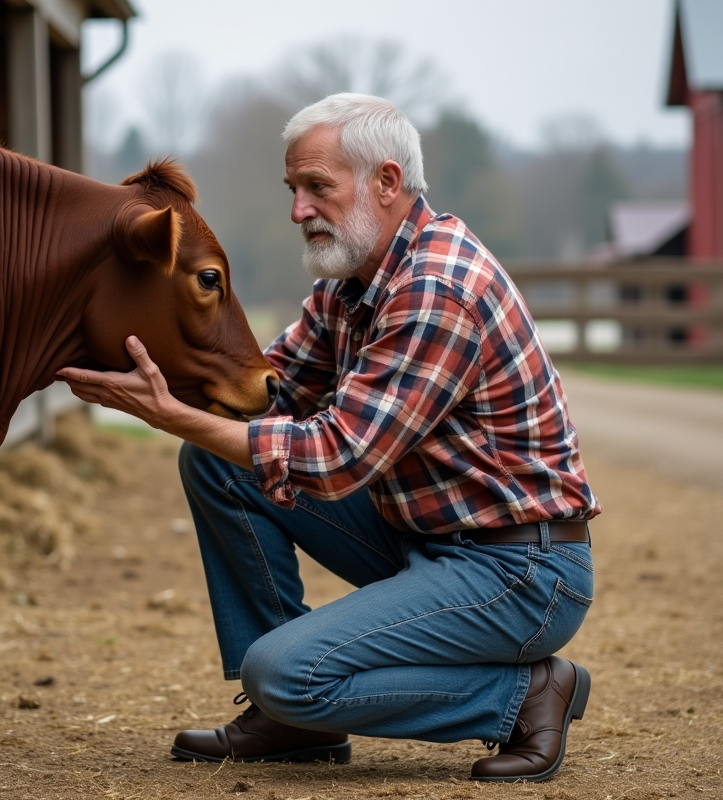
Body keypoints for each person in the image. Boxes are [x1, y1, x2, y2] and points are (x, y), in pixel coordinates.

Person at [57, 93, 600, 783]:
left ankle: (523, 695)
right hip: (425, 537)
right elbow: (272, 390)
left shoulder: (436, 287)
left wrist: (169, 415)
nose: (298, 210)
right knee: (218, 463)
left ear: (387, 182)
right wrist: (151, 360)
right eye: (293, 189)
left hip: (518, 570)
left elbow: (337, 459)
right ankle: (288, 725)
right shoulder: (356, 278)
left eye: (318, 187)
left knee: (282, 673)